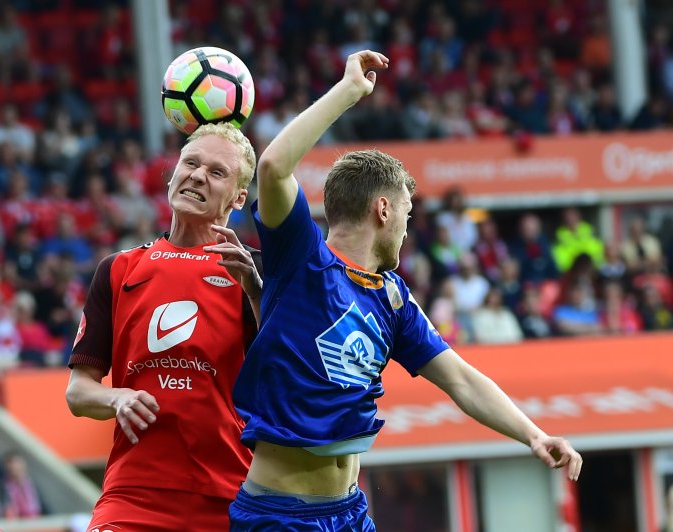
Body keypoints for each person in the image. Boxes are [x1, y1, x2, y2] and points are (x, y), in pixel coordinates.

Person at [230, 50, 582, 531]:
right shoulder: (302, 258)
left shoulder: (391, 298)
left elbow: (460, 379)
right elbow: (272, 166)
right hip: (280, 515)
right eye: (407, 215)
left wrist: (533, 434)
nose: (407, 229)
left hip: (349, 512)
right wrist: (349, 91)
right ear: (383, 210)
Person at [65, 122, 262, 531]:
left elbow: (287, 375)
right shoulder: (118, 270)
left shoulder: (255, 272)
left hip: (230, 495)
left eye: (217, 172)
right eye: (190, 163)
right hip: (132, 494)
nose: (197, 176)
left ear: (239, 197)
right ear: (172, 174)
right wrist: (117, 398)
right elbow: (78, 392)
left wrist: (258, 293)